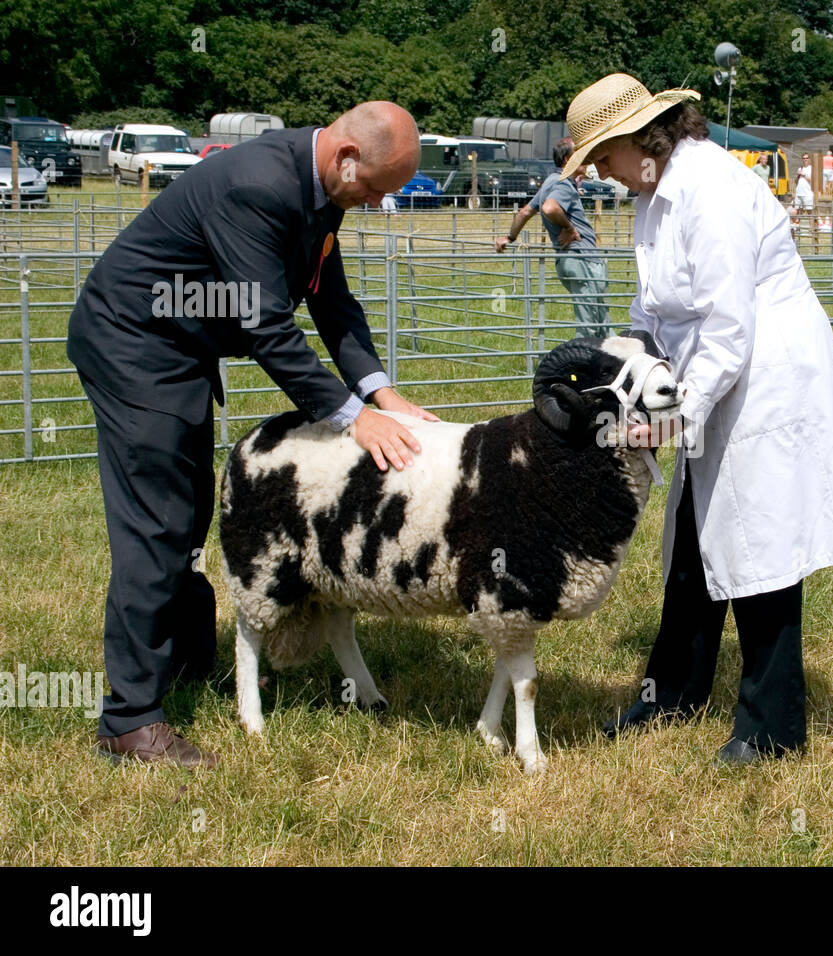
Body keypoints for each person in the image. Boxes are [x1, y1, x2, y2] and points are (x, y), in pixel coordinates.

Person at [68, 102, 437, 767]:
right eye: (378, 188)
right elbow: (268, 326)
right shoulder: (259, 187)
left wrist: (381, 391)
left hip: (177, 350)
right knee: (154, 527)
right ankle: (129, 722)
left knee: (184, 516)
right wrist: (355, 417)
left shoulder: (322, 191)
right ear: (346, 157)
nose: (379, 203)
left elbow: (331, 303)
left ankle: (182, 670)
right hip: (134, 344)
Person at [559, 73, 833, 764]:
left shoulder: (714, 192)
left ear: (632, 140)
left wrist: (674, 417)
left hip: (765, 377)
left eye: (600, 158)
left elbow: (729, 328)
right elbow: (652, 315)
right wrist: (625, 375)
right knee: (695, 532)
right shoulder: (653, 199)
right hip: (711, 373)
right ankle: (669, 694)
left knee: (759, 545)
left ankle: (773, 729)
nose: (601, 174)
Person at [494, 138, 609, 337]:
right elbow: (550, 207)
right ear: (568, 159)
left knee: (598, 323)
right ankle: (579, 365)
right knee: (592, 326)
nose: (587, 158)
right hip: (583, 259)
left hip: (569, 260)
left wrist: (510, 237)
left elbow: (524, 213)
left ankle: (606, 364)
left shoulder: (549, 182)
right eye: (580, 153)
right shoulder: (563, 183)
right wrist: (570, 228)